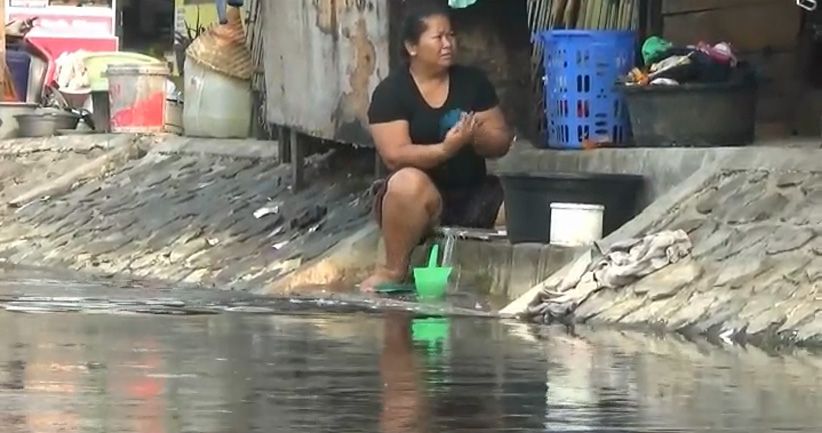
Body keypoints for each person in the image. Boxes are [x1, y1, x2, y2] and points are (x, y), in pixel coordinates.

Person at [361, 2, 514, 291]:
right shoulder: (391, 93)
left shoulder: (473, 83)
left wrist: (476, 137)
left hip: (475, 193)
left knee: (527, 206)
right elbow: (395, 155)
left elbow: (501, 140)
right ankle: (393, 270)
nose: (448, 44)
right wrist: (445, 149)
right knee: (406, 182)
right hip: (421, 197)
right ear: (412, 46)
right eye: (438, 37)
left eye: (451, 36)